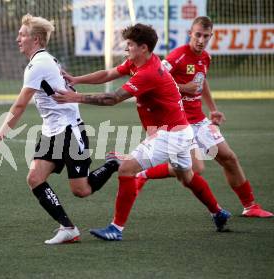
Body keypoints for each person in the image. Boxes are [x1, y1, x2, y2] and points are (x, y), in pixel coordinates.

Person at [54, 23, 231, 241]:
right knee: (187, 177)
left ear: (144, 48)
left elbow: (113, 98)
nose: (126, 48)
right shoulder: (139, 62)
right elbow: (110, 73)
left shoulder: (148, 73)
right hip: (181, 131)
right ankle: (218, 212)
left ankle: (116, 229)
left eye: (130, 44)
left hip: (170, 135)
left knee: (127, 169)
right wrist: (77, 80)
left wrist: (76, 97)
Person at [0, 14, 119, 244]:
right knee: (35, 178)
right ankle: (68, 228)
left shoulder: (38, 64)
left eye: (22, 35)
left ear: (35, 39)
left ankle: (114, 163)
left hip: (69, 132)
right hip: (51, 132)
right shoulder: (45, 61)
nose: (18, 38)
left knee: (81, 190)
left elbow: (19, 106)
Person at [133, 16, 272, 218]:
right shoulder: (177, 56)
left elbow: (202, 82)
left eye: (205, 36)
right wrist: (183, 87)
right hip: (179, 122)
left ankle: (250, 206)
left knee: (229, 158)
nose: (201, 40)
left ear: (211, 36)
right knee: (196, 168)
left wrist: (213, 109)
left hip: (199, 120)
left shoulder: (205, 57)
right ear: (190, 34)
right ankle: (143, 173)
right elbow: (156, 79)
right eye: (198, 35)